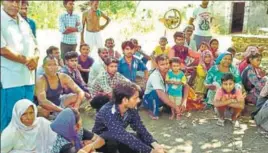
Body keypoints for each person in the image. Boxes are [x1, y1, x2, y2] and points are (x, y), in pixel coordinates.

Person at [92, 83, 166, 153]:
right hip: (102, 141)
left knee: (141, 139)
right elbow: (122, 135)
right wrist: (151, 151)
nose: (139, 100)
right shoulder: (108, 111)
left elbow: (140, 127)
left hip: (119, 137)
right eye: (135, 98)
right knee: (120, 140)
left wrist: (155, 145)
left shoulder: (131, 108)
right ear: (125, 100)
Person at [1, 0, 39, 131]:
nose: (15, 4)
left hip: (28, 79)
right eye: (11, 1)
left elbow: (35, 45)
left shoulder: (23, 22)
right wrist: (27, 60)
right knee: (8, 121)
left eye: (17, 1)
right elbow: (2, 49)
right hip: (10, 81)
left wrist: (36, 56)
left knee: (27, 120)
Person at [143, 54, 189, 120]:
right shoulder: (155, 76)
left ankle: (171, 107)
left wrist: (184, 102)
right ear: (157, 66)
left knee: (179, 86)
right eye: (162, 64)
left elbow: (186, 86)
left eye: (167, 63)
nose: (165, 66)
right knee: (155, 92)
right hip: (149, 99)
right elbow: (161, 94)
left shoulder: (172, 72)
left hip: (165, 97)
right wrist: (176, 107)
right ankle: (152, 112)